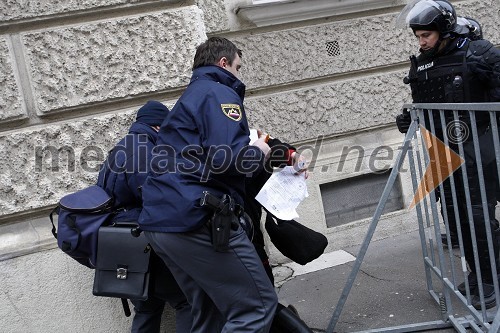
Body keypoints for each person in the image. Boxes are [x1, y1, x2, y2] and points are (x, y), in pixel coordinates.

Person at [139, 37, 278, 332]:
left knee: (210, 313)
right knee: (257, 307)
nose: (240, 75)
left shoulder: (191, 97)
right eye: (238, 67)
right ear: (224, 63)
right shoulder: (219, 93)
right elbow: (228, 161)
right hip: (197, 219)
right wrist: (260, 151)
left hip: (164, 223)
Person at [395, 0, 500, 309]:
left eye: (426, 34)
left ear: (443, 30)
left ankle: (490, 281)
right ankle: (479, 274)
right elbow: (428, 108)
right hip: (443, 153)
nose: (421, 41)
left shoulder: (478, 54)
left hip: (479, 149)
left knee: (478, 216)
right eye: (417, 36)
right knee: (455, 218)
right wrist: (409, 119)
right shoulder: (424, 64)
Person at [96, 100, 192, 333]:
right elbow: (155, 200)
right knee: (187, 302)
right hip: (145, 243)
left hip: (125, 244)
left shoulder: (120, 148)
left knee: (147, 308)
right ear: (158, 127)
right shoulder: (143, 151)